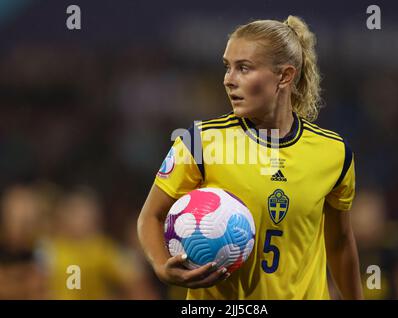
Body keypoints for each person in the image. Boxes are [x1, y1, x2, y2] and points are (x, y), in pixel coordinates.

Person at [138, 15, 363, 299]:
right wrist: (161, 267)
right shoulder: (200, 141)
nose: (228, 80)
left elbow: (341, 242)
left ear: (285, 76)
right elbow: (151, 217)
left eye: (243, 68)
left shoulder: (334, 153)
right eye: (227, 67)